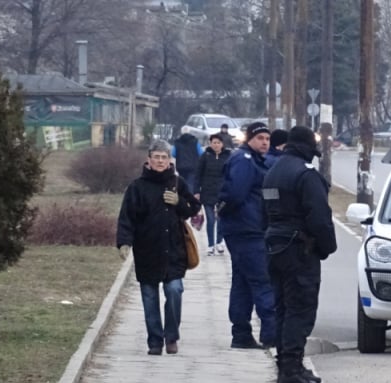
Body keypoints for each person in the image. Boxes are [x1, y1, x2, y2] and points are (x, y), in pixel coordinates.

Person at [263, 126, 337, 383]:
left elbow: (265, 212)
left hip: (274, 246)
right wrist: (327, 247)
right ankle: (291, 373)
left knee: (283, 309)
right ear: (307, 148)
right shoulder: (306, 175)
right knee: (300, 310)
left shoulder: (272, 172)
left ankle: (287, 366)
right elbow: (319, 217)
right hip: (299, 249)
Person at [117, 140, 201, 356]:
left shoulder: (177, 183)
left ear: (169, 160)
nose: (160, 161)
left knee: (174, 290)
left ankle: (171, 336)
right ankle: (155, 340)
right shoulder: (137, 187)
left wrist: (179, 202)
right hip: (147, 250)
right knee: (149, 296)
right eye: (156, 157)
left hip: (173, 249)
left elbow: (193, 208)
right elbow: (127, 217)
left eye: (164, 157)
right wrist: (124, 241)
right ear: (149, 159)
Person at [217, 122, 277, 349]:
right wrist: (224, 211)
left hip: (245, 229)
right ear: (249, 139)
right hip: (247, 230)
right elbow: (235, 194)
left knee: (242, 282)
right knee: (262, 281)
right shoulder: (244, 160)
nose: (265, 143)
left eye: (267, 139)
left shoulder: (255, 160)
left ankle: (241, 334)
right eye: (260, 138)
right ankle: (271, 334)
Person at [195, 133, 232, 255]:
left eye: (218, 143)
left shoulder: (228, 157)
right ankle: (210, 245)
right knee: (211, 219)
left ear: (222, 144)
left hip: (222, 193)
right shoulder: (205, 156)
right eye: (213, 142)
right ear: (210, 144)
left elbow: (231, 175)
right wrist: (196, 191)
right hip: (207, 192)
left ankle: (219, 242)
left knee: (221, 219)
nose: (216, 145)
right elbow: (198, 174)